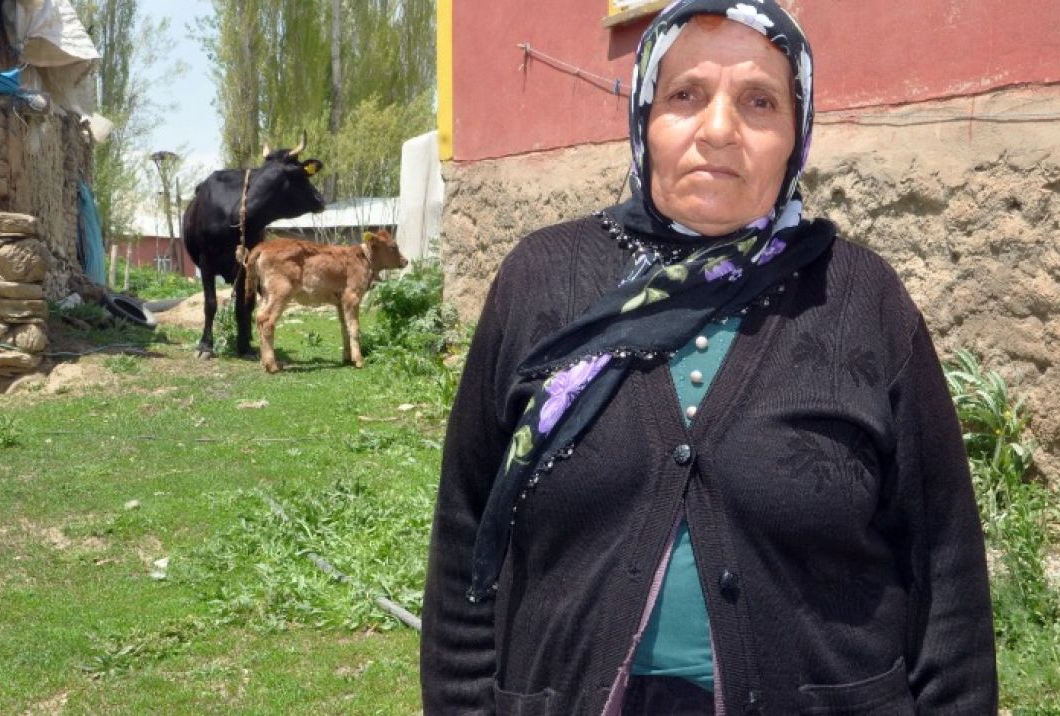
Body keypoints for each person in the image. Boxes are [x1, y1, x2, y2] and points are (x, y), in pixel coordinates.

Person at [421, 1, 998, 713]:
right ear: (644, 116)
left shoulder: (859, 299)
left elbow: (945, 569)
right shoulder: (542, 281)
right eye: (686, 95)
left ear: (797, 134)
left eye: (759, 102)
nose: (718, 130)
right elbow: (466, 536)